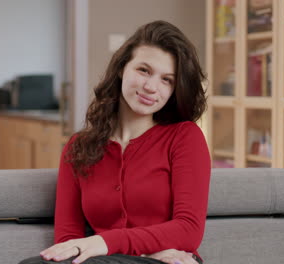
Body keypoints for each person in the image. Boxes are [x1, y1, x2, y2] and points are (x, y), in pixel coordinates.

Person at [19, 20, 211, 264]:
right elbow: (68, 239)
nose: (151, 87)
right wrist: (135, 252)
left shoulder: (184, 137)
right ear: (122, 68)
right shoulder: (78, 148)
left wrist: (104, 243)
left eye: (167, 80)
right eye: (144, 70)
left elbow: (189, 230)